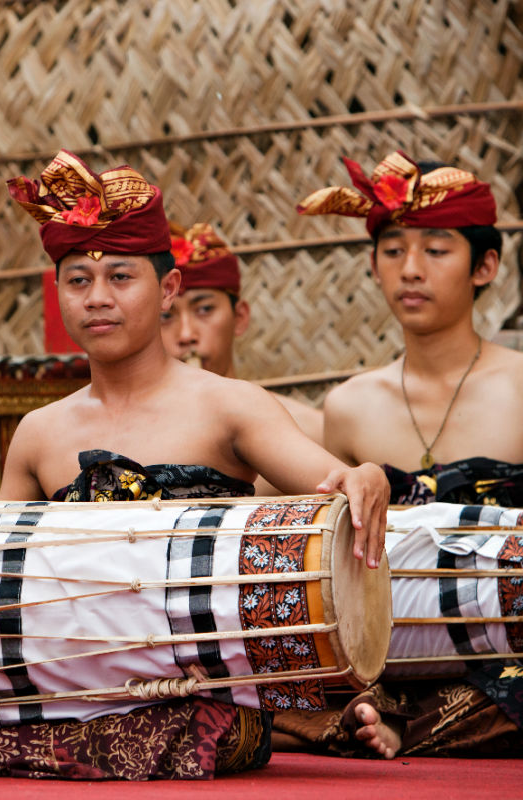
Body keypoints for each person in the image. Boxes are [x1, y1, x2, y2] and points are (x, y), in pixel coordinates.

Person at [0, 150, 389, 778]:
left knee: (191, 730)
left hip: (190, 695)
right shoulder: (39, 432)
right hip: (66, 682)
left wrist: (364, 477)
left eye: (122, 278)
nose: (98, 298)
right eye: (78, 280)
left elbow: (330, 482)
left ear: (167, 288)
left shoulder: (229, 407)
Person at [269, 150, 523, 759]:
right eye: (392, 251)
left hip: (507, 656)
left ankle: (406, 730)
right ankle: (377, 718)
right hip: (392, 654)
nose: (411, 269)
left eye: (436, 251)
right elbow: (328, 558)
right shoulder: (351, 405)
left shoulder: (520, 387)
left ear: (484, 265)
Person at [160, 221, 323, 464]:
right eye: (166, 316)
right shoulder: (129, 440)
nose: (186, 334)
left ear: (239, 317)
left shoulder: (309, 434)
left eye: (204, 309)